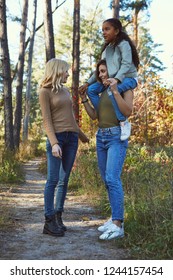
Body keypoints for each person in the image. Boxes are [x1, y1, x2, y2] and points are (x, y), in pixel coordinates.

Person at [79, 59, 133, 240]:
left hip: (116, 137)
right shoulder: (101, 92)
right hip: (101, 137)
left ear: (114, 70)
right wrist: (84, 99)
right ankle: (114, 218)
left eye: (104, 71)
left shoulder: (125, 87)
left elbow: (127, 112)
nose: (101, 75)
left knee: (112, 177)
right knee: (106, 179)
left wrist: (116, 90)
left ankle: (118, 224)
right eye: (99, 72)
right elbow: (95, 116)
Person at [39, 58, 89, 237]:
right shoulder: (45, 91)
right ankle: (48, 221)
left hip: (72, 138)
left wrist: (83, 137)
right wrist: (54, 143)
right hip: (58, 138)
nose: (68, 73)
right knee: (52, 179)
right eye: (66, 70)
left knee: (64, 179)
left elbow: (71, 119)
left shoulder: (66, 91)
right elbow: (47, 120)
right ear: (58, 71)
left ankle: (59, 216)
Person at [79, 18, 139, 141]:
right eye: (102, 30)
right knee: (91, 90)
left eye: (107, 29)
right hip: (113, 79)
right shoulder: (106, 50)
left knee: (112, 90)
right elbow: (100, 70)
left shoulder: (124, 45)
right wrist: (87, 83)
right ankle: (101, 114)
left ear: (116, 31)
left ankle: (123, 122)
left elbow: (126, 64)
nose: (104, 32)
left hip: (128, 78)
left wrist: (116, 79)